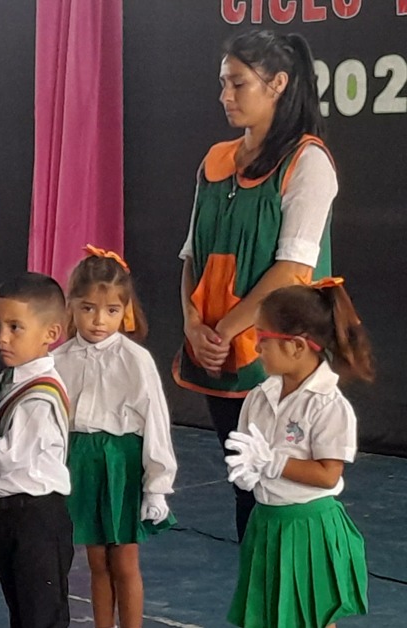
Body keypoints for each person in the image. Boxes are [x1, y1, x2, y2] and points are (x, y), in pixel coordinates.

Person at [174, 29, 337, 540]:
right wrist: (194, 325)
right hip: (217, 352)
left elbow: (293, 270)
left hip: (279, 352)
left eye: (238, 83)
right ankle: (258, 584)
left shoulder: (308, 162)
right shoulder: (215, 161)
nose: (226, 95)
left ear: (278, 84)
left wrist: (223, 330)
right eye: (223, 83)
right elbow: (192, 255)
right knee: (244, 482)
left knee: (283, 488)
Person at [223, 280, 370, 627]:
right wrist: (246, 473)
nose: (256, 347)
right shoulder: (259, 396)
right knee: (266, 614)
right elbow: (246, 451)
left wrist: (273, 462)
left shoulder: (328, 404)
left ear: (297, 346)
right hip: (267, 522)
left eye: (262, 338)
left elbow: (328, 474)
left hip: (308, 527)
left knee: (313, 616)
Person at [51, 247, 177, 628]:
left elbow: (156, 421)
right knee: (96, 561)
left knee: (124, 559)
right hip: (81, 461)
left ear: (125, 311)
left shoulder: (135, 359)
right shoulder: (59, 360)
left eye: (111, 310)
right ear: (71, 307)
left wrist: (157, 486)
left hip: (122, 462)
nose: (98, 320)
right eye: (88, 308)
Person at [0, 272, 74, 628]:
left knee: (40, 617)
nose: (1, 337)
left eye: (15, 328)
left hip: (35, 519)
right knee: (23, 614)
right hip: (9, 516)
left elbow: (9, 456)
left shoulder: (39, 396)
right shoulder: (9, 378)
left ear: (51, 334)